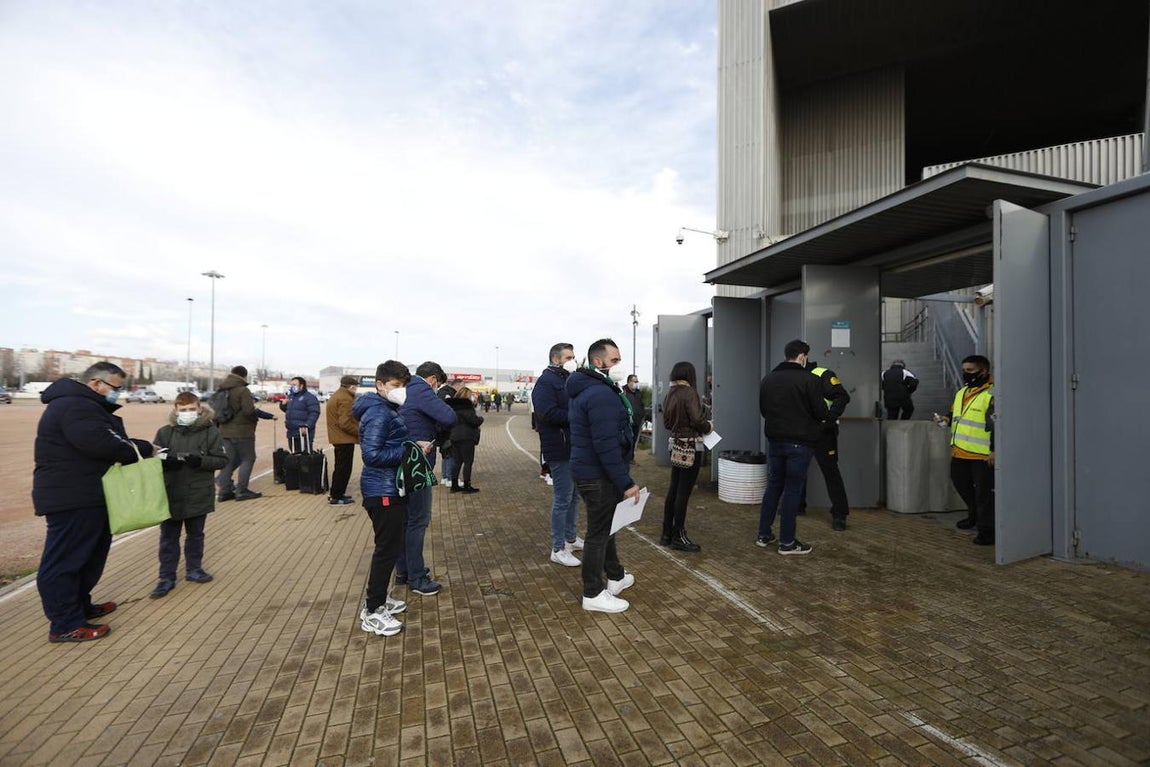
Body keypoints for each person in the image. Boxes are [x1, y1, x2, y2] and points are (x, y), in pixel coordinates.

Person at [32, 362, 155, 642]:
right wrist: (144, 449)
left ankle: (79, 606)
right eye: (115, 388)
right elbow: (102, 444)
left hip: (88, 493)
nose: (117, 393)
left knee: (89, 556)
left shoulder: (83, 406)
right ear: (96, 383)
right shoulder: (75, 406)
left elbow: (110, 439)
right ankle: (65, 624)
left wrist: (138, 446)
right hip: (71, 496)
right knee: (66, 561)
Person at [567, 339, 639, 613]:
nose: (619, 365)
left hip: (589, 471)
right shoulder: (600, 394)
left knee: (607, 527)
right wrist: (626, 482)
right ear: (598, 362)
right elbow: (606, 444)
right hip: (597, 475)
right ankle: (593, 592)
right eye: (614, 360)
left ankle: (616, 575)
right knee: (598, 533)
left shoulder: (590, 389)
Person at [351, 361, 413, 636]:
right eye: (396, 385)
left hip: (389, 487)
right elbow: (372, 455)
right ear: (380, 385)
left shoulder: (386, 409)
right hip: (382, 491)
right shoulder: (379, 413)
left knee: (390, 546)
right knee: (386, 550)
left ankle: (379, 599)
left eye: (403, 386)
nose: (401, 391)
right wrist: (408, 450)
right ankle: (373, 611)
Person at [149, 392, 229, 598]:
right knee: (168, 537)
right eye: (183, 410)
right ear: (175, 410)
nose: (187, 413)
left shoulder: (210, 431)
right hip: (170, 492)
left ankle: (194, 568)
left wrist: (201, 461)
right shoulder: (165, 432)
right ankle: (166, 577)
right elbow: (154, 456)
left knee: (195, 534)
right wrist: (165, 461)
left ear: (199, 409)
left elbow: (221, 460)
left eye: (191, 409)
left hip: (198, 492)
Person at [756, 340, 831, 556]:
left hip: (775, 440)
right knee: (792, 489)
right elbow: (820, 412)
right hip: (800, 442)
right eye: (806, 356)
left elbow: (764, 410)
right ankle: (787, 542)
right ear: (801, 356)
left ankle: (764, 534)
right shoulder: (809, 380)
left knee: (774, 485)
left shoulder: (768, 379)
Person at [397, 361, 457, 596]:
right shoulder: (421, 389)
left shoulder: (404, 388)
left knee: (405, 520)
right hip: (417, 463)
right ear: (433, 379)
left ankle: (404, 570)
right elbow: (449, 416)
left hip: (402, 461)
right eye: (437, 384)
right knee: (418, 520)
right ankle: (417, 577)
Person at [533, 342, 584, 567]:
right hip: (559, 447)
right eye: (569, 357)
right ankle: (558, 548)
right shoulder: (546, 382)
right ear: (556, 359)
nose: (573, 360)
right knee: (563, 498)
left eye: (573, 356)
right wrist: (577, 414)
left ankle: (570, 538)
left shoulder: (567, 380)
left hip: (574, 446)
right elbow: (546, 413)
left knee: (574, 496)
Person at [936, 355, 996, 545]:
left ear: (984, 371)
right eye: (964, 370)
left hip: (982, 455)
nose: (965, 374)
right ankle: (974, 516)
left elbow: (998, 424)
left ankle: (987, 530)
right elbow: (954, 413)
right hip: (960, 451)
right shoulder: (962, 392)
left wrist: (995, 450)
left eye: (970, 371)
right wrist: (945, 419)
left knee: (984, 494)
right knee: (962, 486)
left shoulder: (993, 393)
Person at [660, 362, 712, 552]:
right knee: (683, 492)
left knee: (674, 489)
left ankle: (666, 533)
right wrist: (708, 427)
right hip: (690, 445)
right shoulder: (689, 392)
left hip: (675, 443)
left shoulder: (670, 393)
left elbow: (666, 423)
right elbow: (697, 419)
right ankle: (678, 535)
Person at [800, 360, 852, 531]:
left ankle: (840, 515)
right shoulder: (795, 375)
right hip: (801, 432)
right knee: (798, 470)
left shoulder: (822, 374)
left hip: (823, 433)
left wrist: (828, 419)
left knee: (831, 472)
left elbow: (842, 396)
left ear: (803, 357)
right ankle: (798, 505)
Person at [216, 365, 276, 502]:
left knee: (228, 461)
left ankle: (224, 492)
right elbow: (249, 411)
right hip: (242, 432)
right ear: (244, 376)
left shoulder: (222, 389)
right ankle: (241, 491)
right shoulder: (243, 390)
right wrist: (254, 420)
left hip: (224, 431)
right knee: (248, 458)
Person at [326, 375, 361, 506]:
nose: (356, 389)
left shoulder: (337, 395)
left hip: (338, 438)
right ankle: (337, 496)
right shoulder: (346, 399)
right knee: (344, 469)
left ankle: (335, 494)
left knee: (340, 467)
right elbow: (345, 423)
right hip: (344, 439)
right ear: (351, 387)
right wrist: (360, 432)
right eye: (355, 387)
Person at [445, 386, 483, 493]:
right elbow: (473, 421)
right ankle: (467, 486)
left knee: (457, 462)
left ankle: (454, 485)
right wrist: (481, 419)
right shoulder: (467, 407)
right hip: (466, 437)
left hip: (454, 436)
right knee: (468, 462)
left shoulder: (452, 406)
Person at [280, 376, 321, 452]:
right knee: (294, 454)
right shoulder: (291, 397)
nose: (292, 387)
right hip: (291, 432)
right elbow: (289, 410)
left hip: (303, 432)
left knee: (305, 455)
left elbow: (314, 413)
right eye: (291, 385)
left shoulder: (310, 397)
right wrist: (283, 405)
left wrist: (307, 425)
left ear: (301, 386)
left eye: (294, 385)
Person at [435, 376, 458, 488]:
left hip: (441, 429)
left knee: (445, 454)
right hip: (447, 430)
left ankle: (445, 477)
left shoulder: (439, 393)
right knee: (450, 454)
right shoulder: (448, 394)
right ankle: (450, 478)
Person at [622, 374, 645, 464]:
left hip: (637, 421)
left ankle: (631, 458)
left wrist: (642, 415)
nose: (636, 383)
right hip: (627, 421)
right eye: (635, 381)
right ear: (629, 382)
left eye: (637, 381)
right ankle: (625, 458)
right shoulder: (623, 392)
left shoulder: (638, 393)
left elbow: (641, 405)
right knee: (627, 440)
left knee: (634, 440)